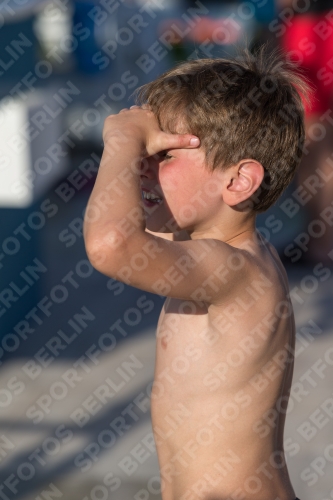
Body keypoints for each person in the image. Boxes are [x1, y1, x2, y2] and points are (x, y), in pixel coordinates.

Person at [83, 48, 306, 500]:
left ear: (238, 181)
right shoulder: (211, 249)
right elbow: (122, 228)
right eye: (146, 151)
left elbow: (110, 245)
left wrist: (121, 141)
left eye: (162, 155)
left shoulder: (236, 269)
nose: (141, 166)